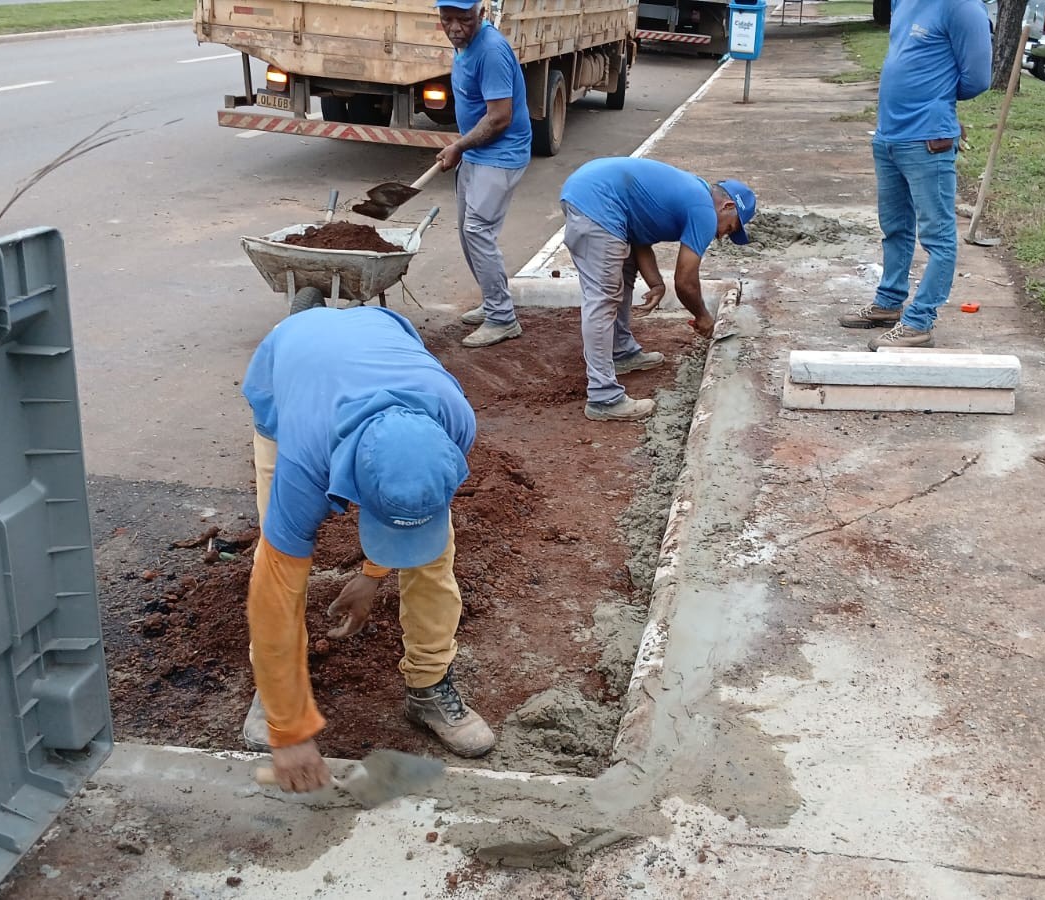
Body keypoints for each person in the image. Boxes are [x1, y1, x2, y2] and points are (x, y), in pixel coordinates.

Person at [239, 306, 496, 793]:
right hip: (289, 366)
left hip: (377, 334)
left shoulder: (453, 421)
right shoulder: (304, 463)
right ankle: (271, 692)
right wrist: (289, 730)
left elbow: (408, 509)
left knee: (435, 559)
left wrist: (373, 574)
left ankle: (428, 684)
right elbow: (275, 589)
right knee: (276, 557)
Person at [838, 0, 990, 348]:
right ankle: (889, 303)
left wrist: (933, 98)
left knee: (937, 236)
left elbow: (978, 79)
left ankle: (919, 322)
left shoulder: (963, 7)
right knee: (895, 227)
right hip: (889, 137)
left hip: (928, 140)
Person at [559, 157, 757, 422]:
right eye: (730, 227)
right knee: (603, 298)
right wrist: (703, 317)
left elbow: (640, 236)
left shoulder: (689, 193)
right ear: (728, 206)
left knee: (623, 274)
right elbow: (686, 281)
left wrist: (655, 283)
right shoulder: (703, 211)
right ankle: (603, 397)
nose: (722, 236)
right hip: (597, 201)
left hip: (594, 193)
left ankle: (621, 351)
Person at [436, 0, 533, 349]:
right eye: (447, 20)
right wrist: (464, 147)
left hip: (501, 154)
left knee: (478, 230)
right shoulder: (463, 45)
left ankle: (503, 319)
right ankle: (494, 302)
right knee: (467, 232)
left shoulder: (490, 51)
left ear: (480, 13)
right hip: (477, 152)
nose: (455, 28)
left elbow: (499, 118)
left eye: (464, 19)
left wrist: (459, 146)